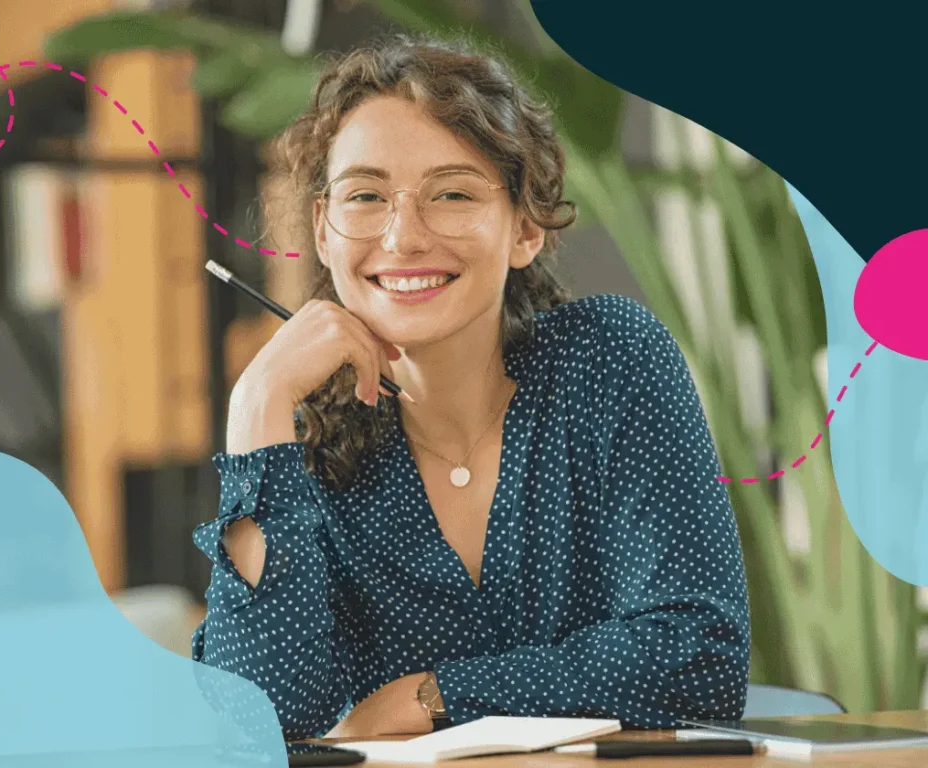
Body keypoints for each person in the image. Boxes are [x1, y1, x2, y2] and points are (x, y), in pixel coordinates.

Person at [190, 32, 751, 741]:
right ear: (324, 233)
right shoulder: (294, 458)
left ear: (525, 229)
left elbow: (700, 655)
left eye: (452, 193)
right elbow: (258, 724)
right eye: (365, 196)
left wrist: (431, 696)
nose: (403, 237)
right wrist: (256, 405)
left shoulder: (609, 361)